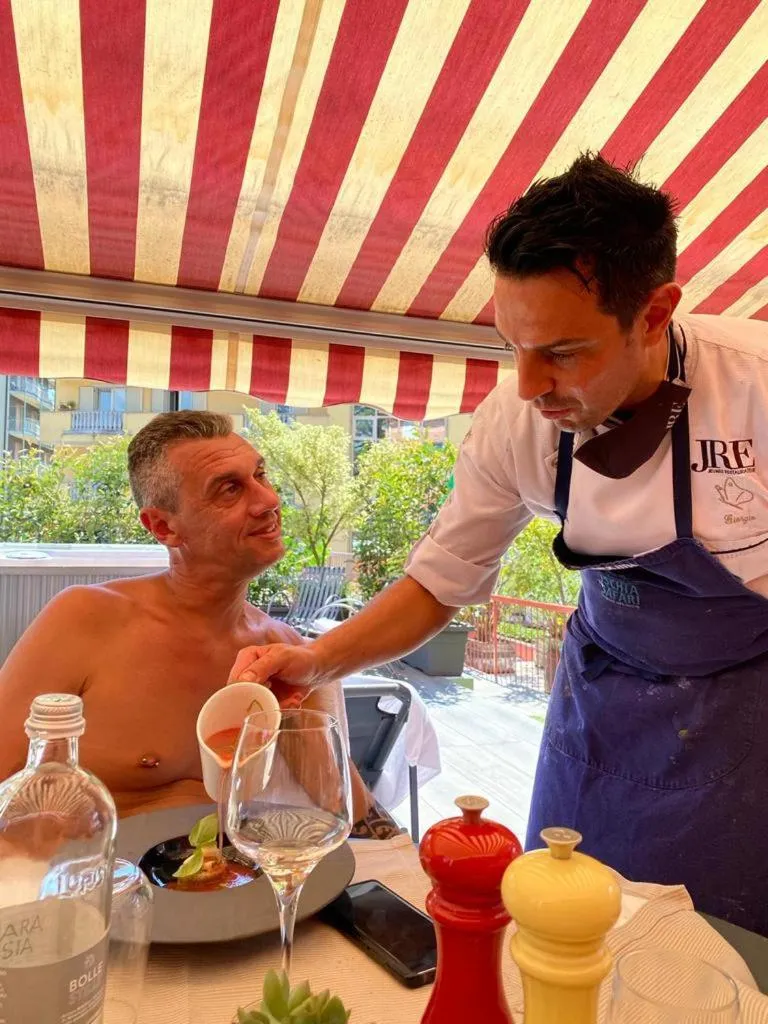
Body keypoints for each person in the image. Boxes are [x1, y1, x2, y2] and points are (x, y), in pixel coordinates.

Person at [229, 154, 768, 934]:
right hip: (603, 699)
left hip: (744, 706)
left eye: (563, 352)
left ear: (654, 314)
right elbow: (439, 582)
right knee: (566, 920)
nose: (526, 384)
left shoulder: (754, 388)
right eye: (510, 344)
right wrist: (315, 661)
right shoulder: (518, 422)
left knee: (727, 946)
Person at [0, 411, 397, 836]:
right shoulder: (85, 619)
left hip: (236, 886)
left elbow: (350, 814)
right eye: (230, 488)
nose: (268, 500)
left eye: (261, 475)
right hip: (95, 886)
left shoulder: (290, 652)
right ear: (163, 526)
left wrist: (304, 712)